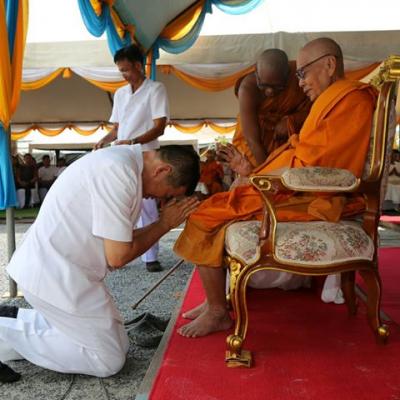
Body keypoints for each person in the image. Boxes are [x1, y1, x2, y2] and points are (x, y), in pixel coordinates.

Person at [173, 37, 378, 338]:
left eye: (303, 73)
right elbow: (308, 153)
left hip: (314, 196)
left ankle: (218, 311)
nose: (301, 82)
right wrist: (256, 173)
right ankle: (215, 303)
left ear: (329, 65)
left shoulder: (351, 100)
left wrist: (265, 178)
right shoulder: (331, 100)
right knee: (214, 208)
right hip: (295, 189)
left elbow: (318, 164)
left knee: (204, 215)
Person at [0, 144, 200, 378]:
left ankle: (14, 321)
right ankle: (4, 332)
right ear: (163, 170)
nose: (160, 201)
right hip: (52, 273)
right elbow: (117, 257)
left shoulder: (124, 164)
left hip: (66, 272)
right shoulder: (118, 172)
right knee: (107, 359)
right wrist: (164, 224)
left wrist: (161, 224)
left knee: (120, 345)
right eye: (167, 195)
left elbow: (120, 241)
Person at [94, 44, 169, 273]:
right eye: (121, 71)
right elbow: (117, 129)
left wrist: (133, 142)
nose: (123, 75)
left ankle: (151, 257)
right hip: (121, 154)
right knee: (118, 203)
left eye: (126, 70)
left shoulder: (155, 89)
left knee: (147, 206)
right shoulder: (120, 93)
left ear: (138, 65)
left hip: (146, 155)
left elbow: (159, 127)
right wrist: (103, 140)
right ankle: (115, 253)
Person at [232, 48, 311, 167]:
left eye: (278, 87)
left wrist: (291, 121)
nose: (270, 92)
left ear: (288, 75)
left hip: (287, 141)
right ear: (256, 72)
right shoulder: (248, 88)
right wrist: (267, 172)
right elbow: (252, 141)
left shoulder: (299, 77)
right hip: (257, 144)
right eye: (263, 85)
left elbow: (313, 110)